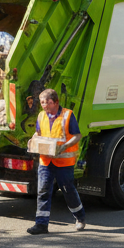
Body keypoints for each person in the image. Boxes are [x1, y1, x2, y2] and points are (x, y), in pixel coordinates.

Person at [29, 88, 86, 235]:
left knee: (68, 191)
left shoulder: (68, 115)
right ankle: (41, 225)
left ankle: (80, 217)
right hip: (46, 161)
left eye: (47, 102)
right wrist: (33, 139)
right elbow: (39, 133)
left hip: (64, 162)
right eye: (42, 102)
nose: (44, 105)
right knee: (43, 191)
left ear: (56, 102)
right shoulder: (41, 116)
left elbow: (77, 135)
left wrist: (65, 147)